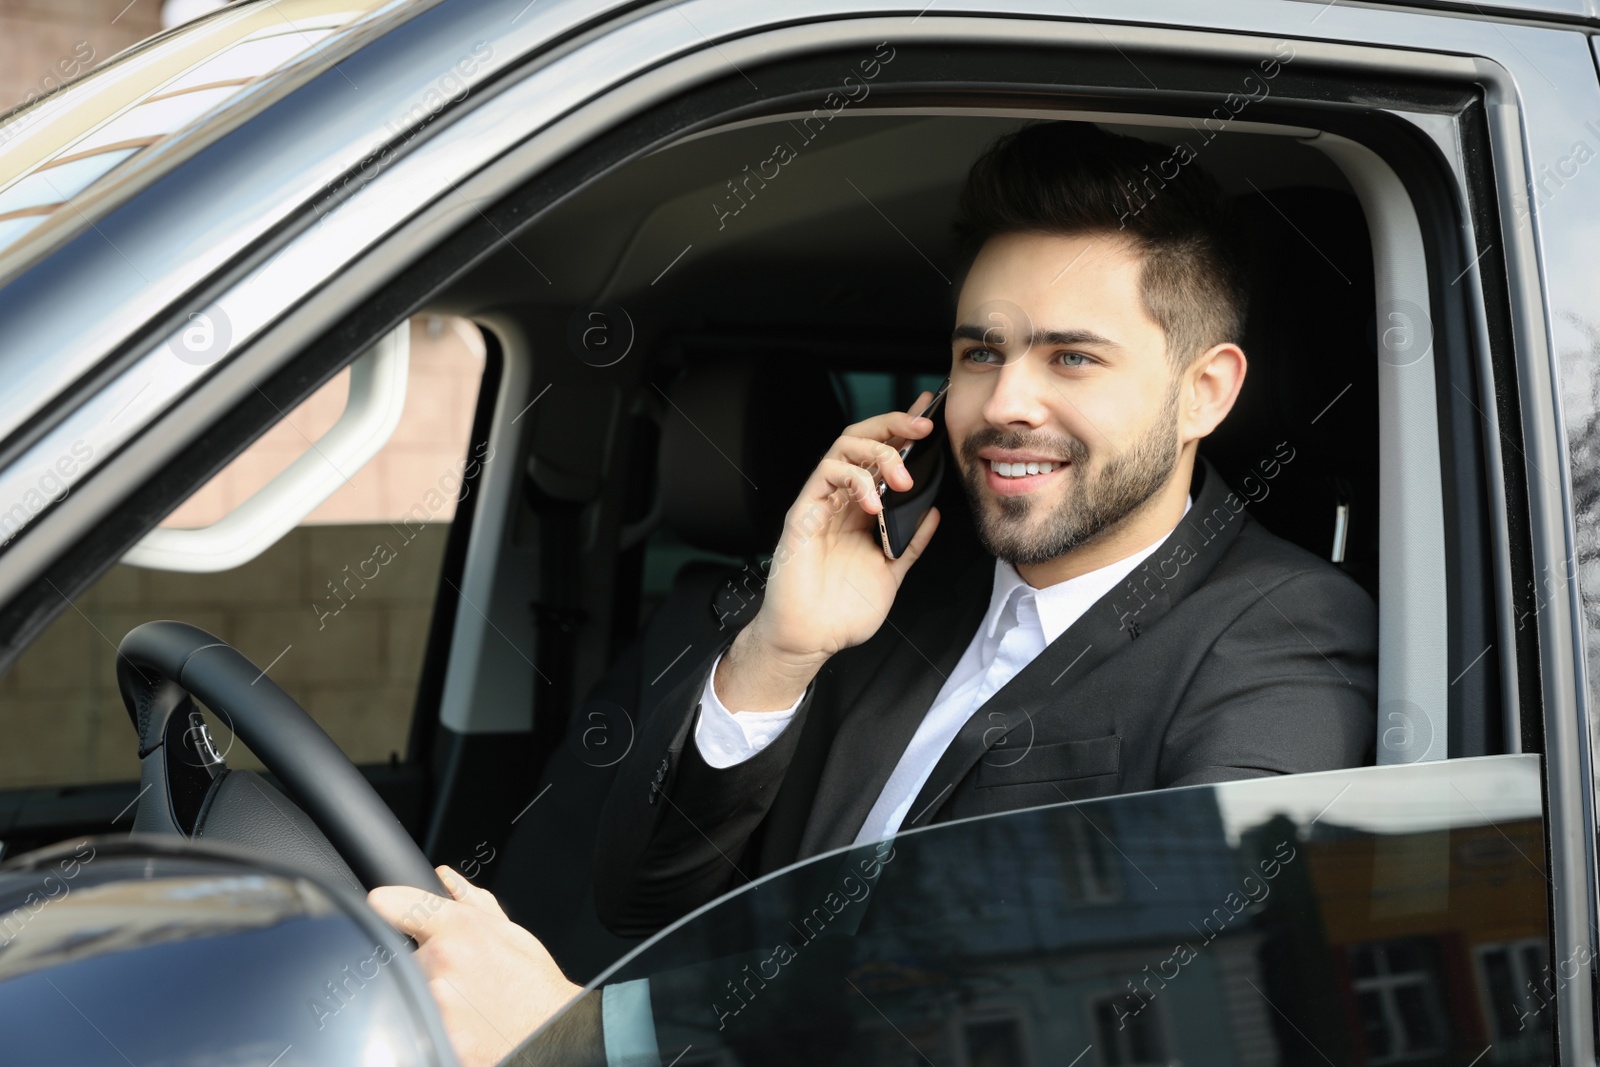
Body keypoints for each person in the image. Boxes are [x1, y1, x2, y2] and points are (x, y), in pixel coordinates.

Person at [369, 119, 1378, 1063]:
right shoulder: (900, 573)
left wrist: (582, 1037)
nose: (1004, 402)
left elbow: (1145, 1030)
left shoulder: (1281, 640)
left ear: (1206, 389)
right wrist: (781, 649)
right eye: (981, 351)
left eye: (1072, 356)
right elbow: (642, 893)